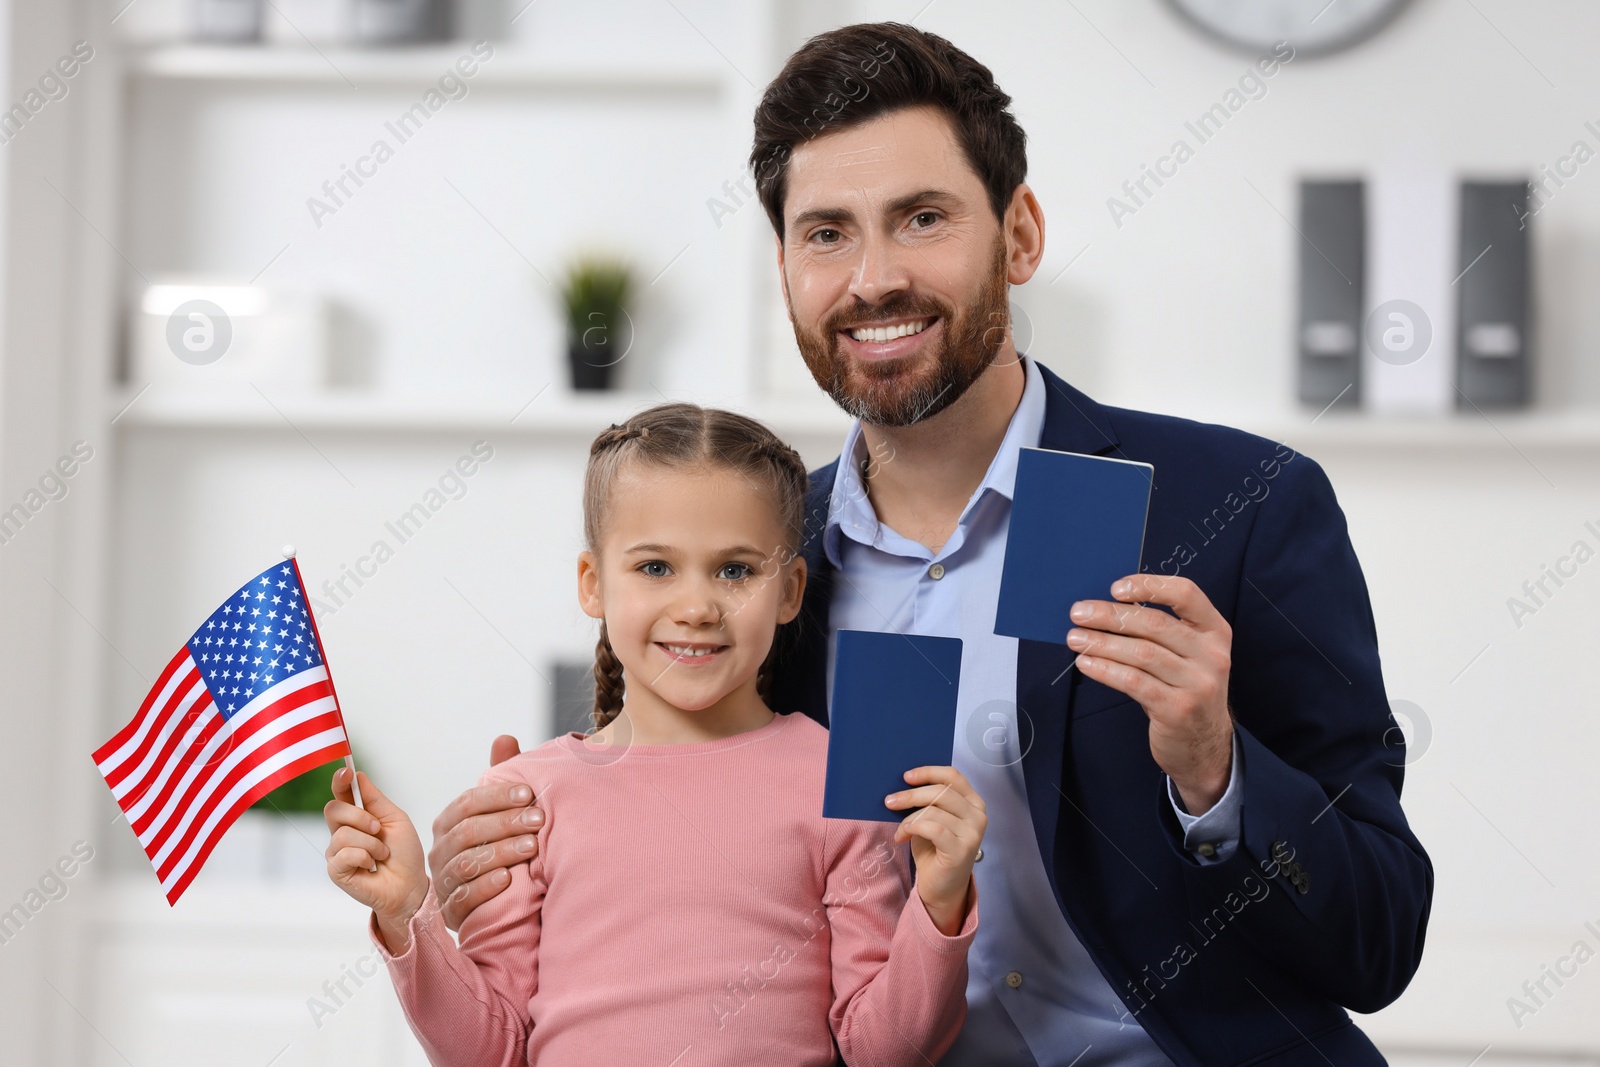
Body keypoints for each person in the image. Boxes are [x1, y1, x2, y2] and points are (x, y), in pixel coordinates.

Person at [426, 22, 1433, 1067]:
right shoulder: (764, 565)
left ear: (1020, 234)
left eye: (920, 218)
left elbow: (1380, 938)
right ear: (785, 270)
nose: (871, 278)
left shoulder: (1231, 505)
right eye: (826, 233)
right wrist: (519, 846)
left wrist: (1216, 773)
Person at [323, 402, 986, 1066]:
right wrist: (411, 910)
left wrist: (940, 902)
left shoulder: (835, 779)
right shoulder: (526, 797)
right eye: (655, 567)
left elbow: (884, 1049)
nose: (697, 607)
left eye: (735, 570)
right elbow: (488, 1049)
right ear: (593, 584)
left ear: (789, 590)